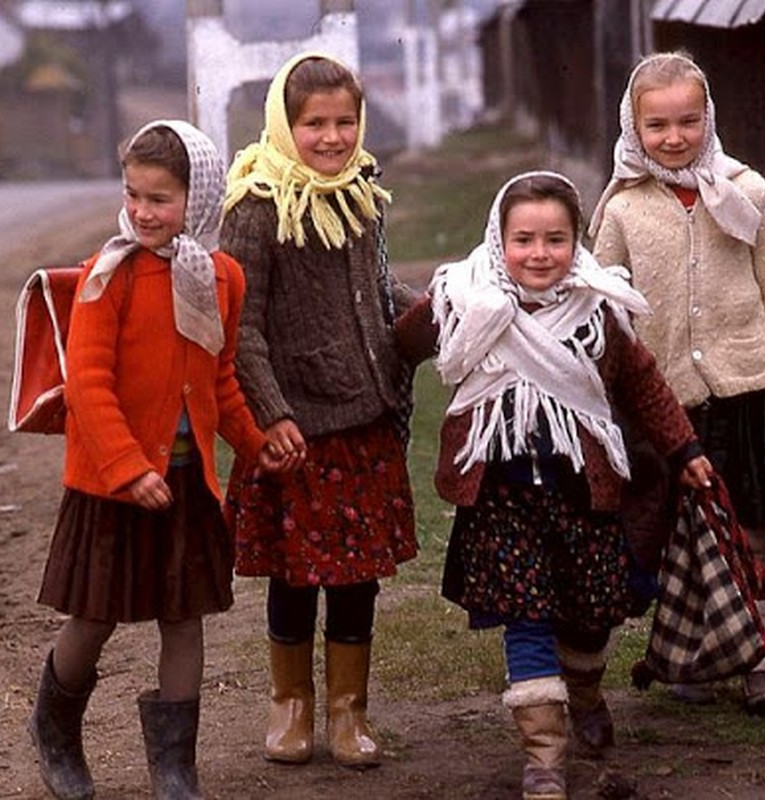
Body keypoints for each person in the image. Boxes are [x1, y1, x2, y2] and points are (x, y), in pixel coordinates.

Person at [395, 171, 714, 800]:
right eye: (524, 240)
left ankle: (587, 691)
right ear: (498, 240)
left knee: (592, 615)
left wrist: (685, 449)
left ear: (576, 243)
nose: (538, 254)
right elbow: (403, 344)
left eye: (555, 239)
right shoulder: (467, 297)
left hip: (583, 497)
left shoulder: (599, 312)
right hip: (502, 501)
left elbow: (644, 385)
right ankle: (544, 756)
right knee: (526, 616)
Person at [28, 119, 287, 800]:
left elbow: (221, 380)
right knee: (95, 616)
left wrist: (258, 447)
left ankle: (175, 769)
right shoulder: (105, 277)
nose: (142, 211)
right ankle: (55, 730)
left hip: (182, 483)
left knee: (183, 617)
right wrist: (126, 468)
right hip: (111, 484)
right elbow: (87, 385)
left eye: (160, 199)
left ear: (197, 199)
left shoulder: (222, 278)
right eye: (133, 194)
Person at [219, 52, 419, 770]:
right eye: (315, 124)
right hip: (294, 432)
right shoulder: (258, 204)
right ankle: (292, 707)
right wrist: (270, 415)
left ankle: (348, 712)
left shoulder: (361, 191)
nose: (332, 138)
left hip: (362, 422)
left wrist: (429, 314)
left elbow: (371, 285)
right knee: (295, 576)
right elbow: (240, 325)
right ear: (284, 123)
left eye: (345, 121)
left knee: (355, 577)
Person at [590, 51, 765, 715]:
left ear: (708, 118)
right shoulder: (623, 209)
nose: (674, 137)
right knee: (684, 534)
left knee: (750, 525)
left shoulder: (747, 190)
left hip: (747, 385)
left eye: (688, 120)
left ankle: (762, 661)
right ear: (634, 127)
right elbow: (601, 302)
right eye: (657, 125)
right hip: (668, 401)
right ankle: (698, 656)